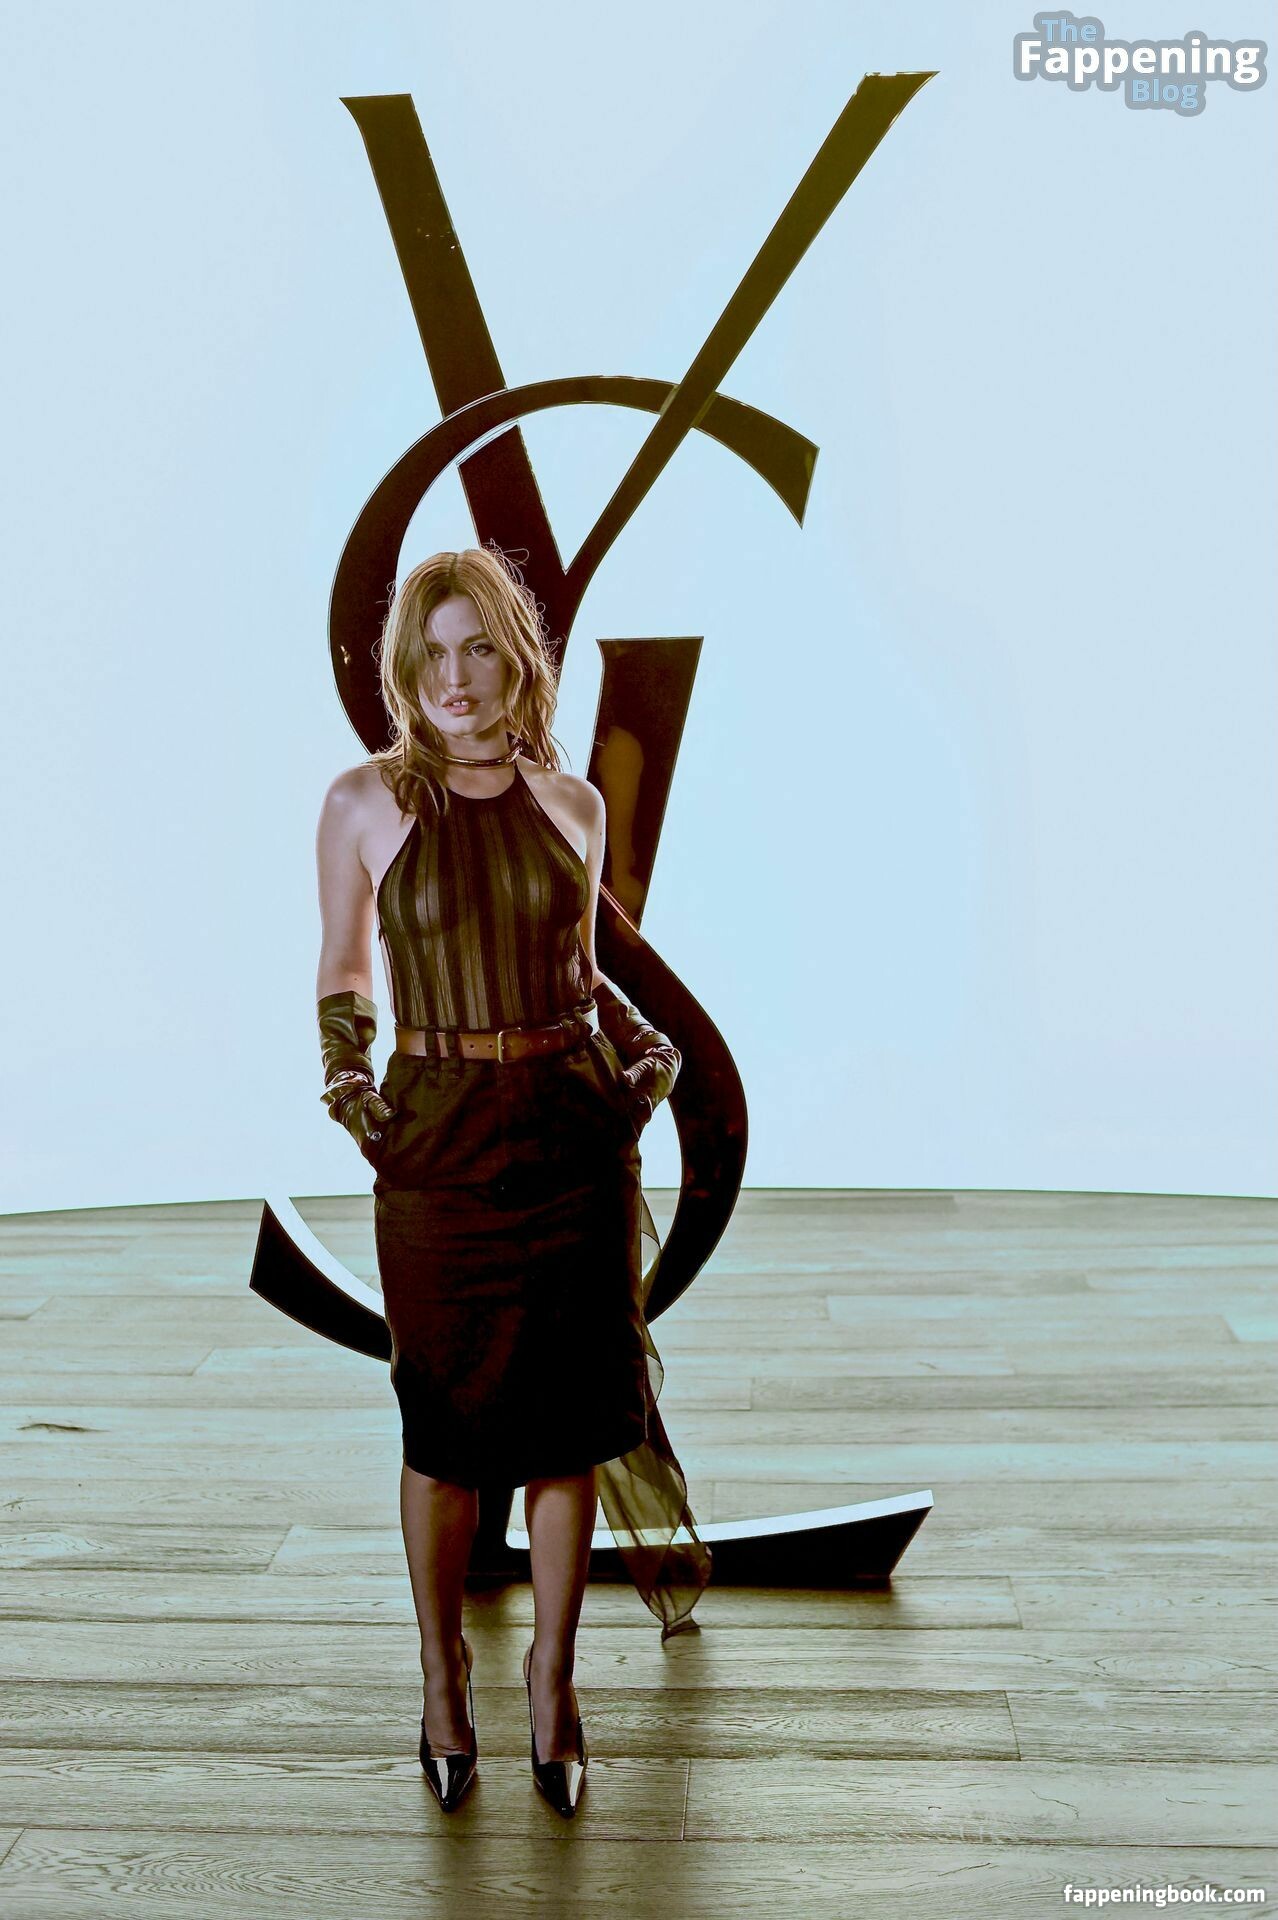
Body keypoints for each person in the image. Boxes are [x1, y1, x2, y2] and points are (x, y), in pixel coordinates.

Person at [314, 545, 710, 1817]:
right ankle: (443, 1680)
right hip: (435, 1141)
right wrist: (353, 1093)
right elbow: (345, 965)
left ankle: (552, 1682)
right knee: (441, 1433)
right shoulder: (362, 804)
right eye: (431, 653)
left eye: (478, 647)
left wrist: (644, 1069)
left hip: (569, 1138)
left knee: (568, 1428)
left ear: (515, 659)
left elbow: (579, 972)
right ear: (404, 668)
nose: (456, 678)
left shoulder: (573, 806)